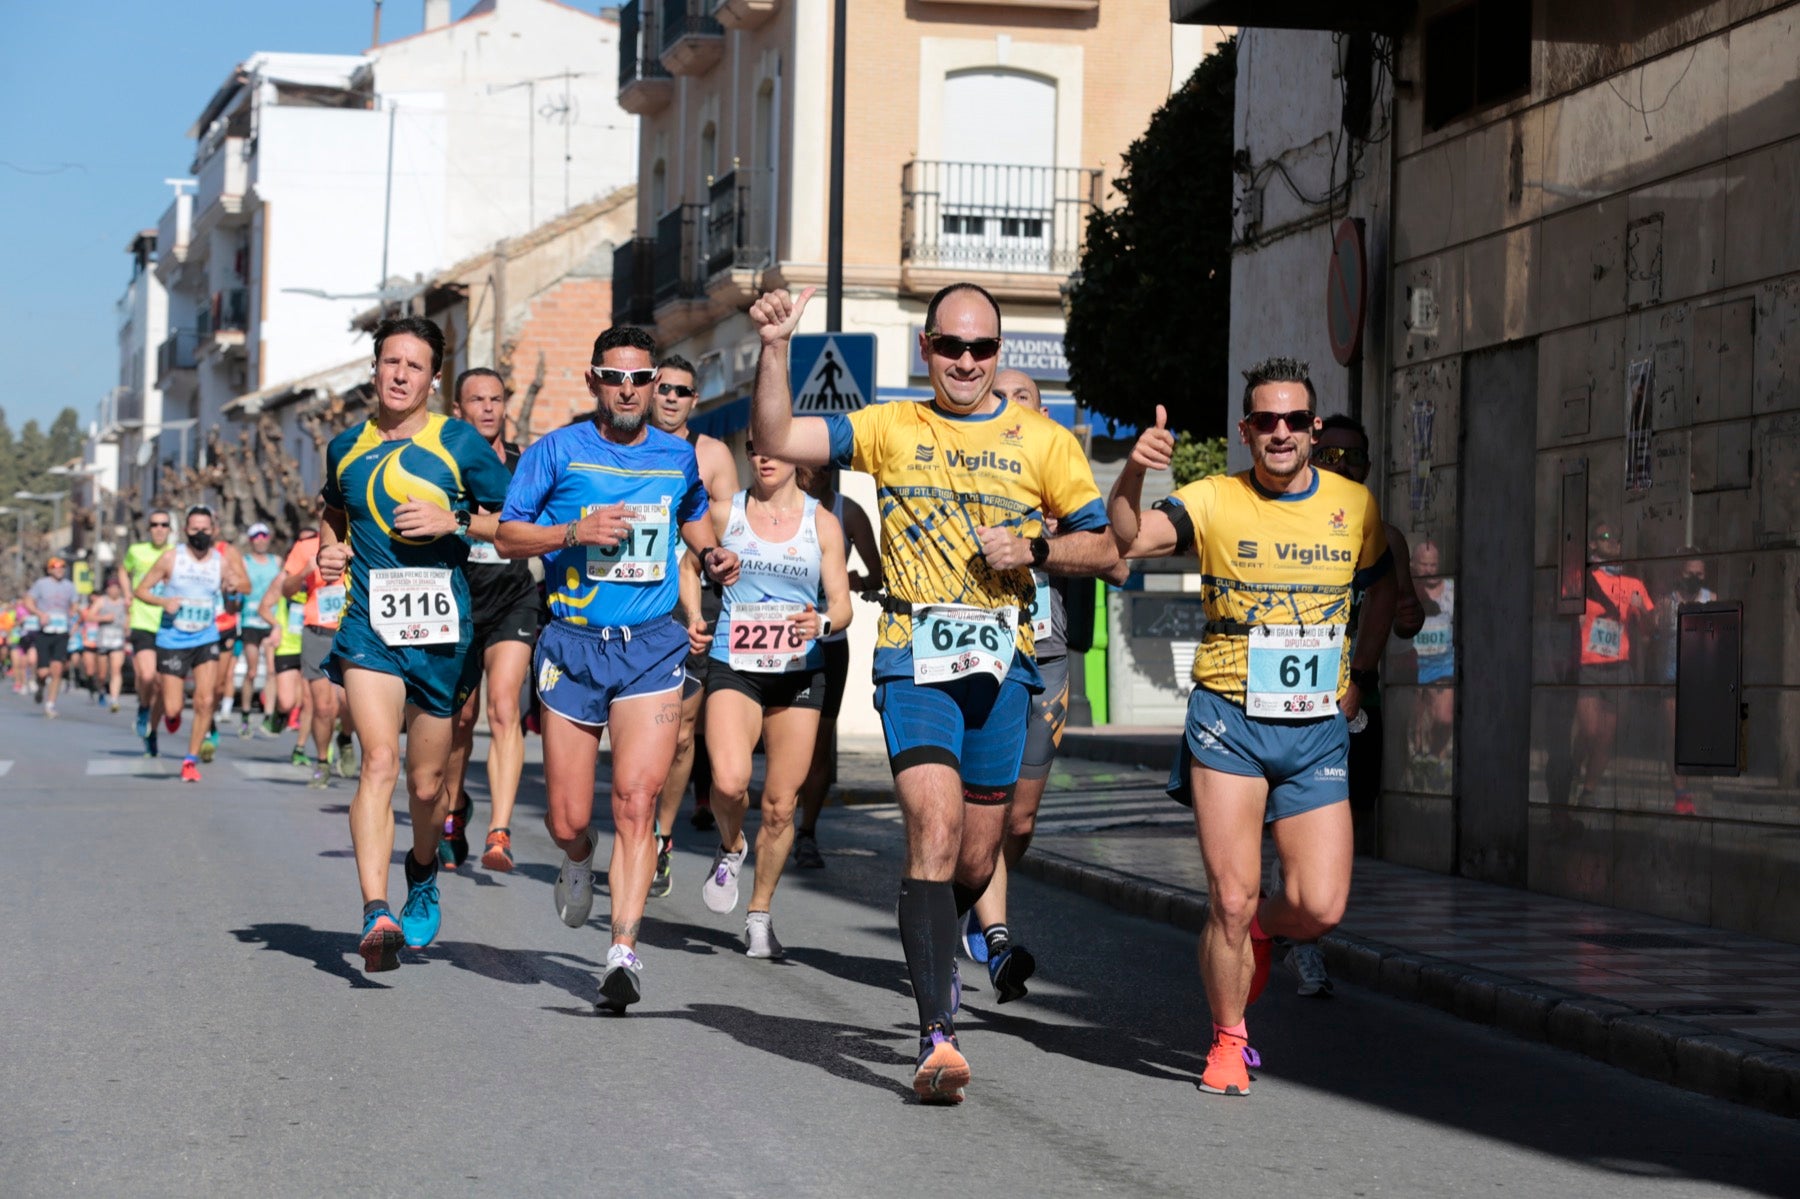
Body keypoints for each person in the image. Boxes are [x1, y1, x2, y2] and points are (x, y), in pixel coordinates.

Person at [747, 283, 1117, 1103]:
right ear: (926, 349)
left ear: (999, 355)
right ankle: (936, 1033)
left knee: (976, 855)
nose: (965, 362)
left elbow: (1108, 550)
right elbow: (774, 433)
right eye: (951, 346)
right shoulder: (889, 425)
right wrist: (776, 346)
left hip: (1004, 663)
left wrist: (1036, 545)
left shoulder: (1043, 442)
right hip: (914, 653)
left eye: (981, 349)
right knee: (936, 826)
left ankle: (927, 913)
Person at [1109, 357, 1397, 1098]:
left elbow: (1386, 584)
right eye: (1265, 421)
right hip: (1229, 719)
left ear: (1313, 430)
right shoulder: (1212, 498)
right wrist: (1136, 473)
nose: (1279, 433)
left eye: (1294, 421)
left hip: (1314, 728)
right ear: (1245, 431)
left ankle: (1262, 933)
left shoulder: (1355, 507)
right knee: (1229, 896)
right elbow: (1129, 537)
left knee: (1320, 905)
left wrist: (1358, 676)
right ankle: (1229, 1037)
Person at [496, 324, 739, 1012]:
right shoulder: (557, 451)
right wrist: (576, 531)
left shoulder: (676, 456)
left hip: (651, 647)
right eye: (616, 377)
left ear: (657, 382)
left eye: (642, 378)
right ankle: (578, 858)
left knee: (636, 799)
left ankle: (624, 950)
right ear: (594, 381)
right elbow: (511, 534)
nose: (629, 390)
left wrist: (712, 553)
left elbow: (690, 515)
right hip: (572, 643)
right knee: (571, 817)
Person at [313, 315, 514, 973]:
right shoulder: (345, 445)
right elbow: (334, 507)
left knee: (428, 787)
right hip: (370, 625)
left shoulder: (460, 443)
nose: (400, 374)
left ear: (433, 379)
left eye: (414, 365)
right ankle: (376, 910)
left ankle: (422, 867)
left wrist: (453, 519)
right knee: (377, 760)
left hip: (441, 634)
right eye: (390, 362)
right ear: (375, 369)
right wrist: (328, 546)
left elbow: (512, 524)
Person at [961, 369, 1127, 1003]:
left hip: (1049, 657)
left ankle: (978, 890)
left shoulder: (1064, 484)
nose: (1008, 407)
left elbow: (1115, 556)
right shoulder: (974, 474)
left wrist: (1049, 542)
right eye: (999, 397)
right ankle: (991, 927)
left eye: (1021, 398)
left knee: (1020, 821)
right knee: (982, 804)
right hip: (981, 656)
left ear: (1042, 415)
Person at [1274, 414, 1426, 998]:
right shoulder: (1290, 524)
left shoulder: (1387, 537)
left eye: (1353, 457)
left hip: (1356, 699)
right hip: (1288, 696)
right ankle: (1296, 934)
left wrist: (1409, 616)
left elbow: (1404, 612)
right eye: (1331, 455)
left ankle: (1298, 919)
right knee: (1289, 817)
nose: (1342, 465)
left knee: (1346, 820)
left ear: (1367, 467)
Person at [692, 442, 853, 957]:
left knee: (782, 804)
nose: (765, 459)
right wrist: (696, 612)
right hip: (735, 664)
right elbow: (686, 562)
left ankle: (759, 914)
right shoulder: (724, 513)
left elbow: (842, 604)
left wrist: (823, 622)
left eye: (776, 450)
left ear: (796, 456)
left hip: (799, 671)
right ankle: (733, 844)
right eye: (756, 450)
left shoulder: (822, 521)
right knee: (730, 780)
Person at [441, 367, 541, 874]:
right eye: (476, 400)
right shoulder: (443, 467)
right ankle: (453, 812)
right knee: (459, 720)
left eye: (496, 399)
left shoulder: (526, 465)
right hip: (457, 603)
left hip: (514, 598)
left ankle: (499, 832)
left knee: (504, 706)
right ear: (458, 410)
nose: (487, 408)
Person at [647, 353, 739, 897]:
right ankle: (636, 815)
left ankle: (660, 837)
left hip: (693, 601)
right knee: (639, 725)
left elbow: (726, 535)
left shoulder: (713, 454)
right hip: (634, 596)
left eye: (682, 391)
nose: (672, 398)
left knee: (683, 731)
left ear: (694, 399)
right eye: (664, 389)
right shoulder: (625, 448)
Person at [791, 464, 884, 868]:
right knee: (779, 738)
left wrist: (843, 582)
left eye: (822, 466)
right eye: (805, 466)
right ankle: (772, 822)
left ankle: (807, 831)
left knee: (819, 742)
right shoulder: (780, 508)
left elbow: (876, 575)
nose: (813, 473)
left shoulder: (849, 513)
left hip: (829, 643)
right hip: (778, 642)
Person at [134, 507, 250, 780]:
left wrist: (234, 585)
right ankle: (166, 717)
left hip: (206, 636)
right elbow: (141, 590)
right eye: (195, 528)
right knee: (173, 707)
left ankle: (190, 760)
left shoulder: (220, 561)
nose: (200, 533)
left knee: (205, 699)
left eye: (205, 529)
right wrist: (164, 602)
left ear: (214, 531)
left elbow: (244, 585)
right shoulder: (171, 558)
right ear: (186, 530)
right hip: (173, 638)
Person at [1571, 519, 1653, 804]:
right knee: (1589, 729)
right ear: (1593, 543)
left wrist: (1643, 611)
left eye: (1617, 538)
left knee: (1605, 737)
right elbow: (1562, 611)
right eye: (1606, 536)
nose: (1613, 542)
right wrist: (1575, 617)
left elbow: (1648, 631)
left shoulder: (1633, 584)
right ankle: (1575, 763)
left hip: (1619, 668)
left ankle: (1588, 791)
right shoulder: (1582, 578)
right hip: (1589, 665)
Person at [276, 527, 354, 784]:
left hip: (353, 631)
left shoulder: (361, 535)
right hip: (318, 632)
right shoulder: (305, 547)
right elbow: (286, 590)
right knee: (323, 707)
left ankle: (344, 737)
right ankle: (322, 761)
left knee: (350, 702)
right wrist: (305, 571)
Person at [1658, 550, 1715, 815]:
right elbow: (1653, 638)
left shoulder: (1711, 599)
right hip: (1671, 677)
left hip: (1701, 679)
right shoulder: (1666, 603)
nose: (1694, 577)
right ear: (1679, 573)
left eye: (1699, 573)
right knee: (1674, 737)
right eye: (1689, 572)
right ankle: (1681, 794)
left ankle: (1696, 789)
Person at [123, 510, 175, 751]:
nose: (159, 528)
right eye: (154, 524)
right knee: (146, 676)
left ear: (170, 528)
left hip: (170, 624)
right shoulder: (136, 551)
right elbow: (123, 570)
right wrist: (126, 594)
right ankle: (144, 708)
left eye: (164, 524)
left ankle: (153, 731)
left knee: (163, 685)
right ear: (149, 528)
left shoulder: (177, 554)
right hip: (143, 621)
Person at [235, 524, 283, 737]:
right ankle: (245, 715)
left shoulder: (277, 562)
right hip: (250, 621)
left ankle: (268, 715)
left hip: (271, 620)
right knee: (252, 671)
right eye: (256, 536)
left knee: (272, 671)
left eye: (264, 535)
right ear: (251, 539)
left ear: (269, 538)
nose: (260, 539)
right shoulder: (244, 562)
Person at [24, 556, 78, 718]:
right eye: (55, 566)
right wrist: (39, 613)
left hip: (61, 632)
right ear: (49, 569)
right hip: (45, 632)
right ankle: (40, 686)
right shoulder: (41, 584)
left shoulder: (69, 586)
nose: (59, 569)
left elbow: (74, 604)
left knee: (57, 670)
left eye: (62, 566)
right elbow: (28, 601)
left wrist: (72, 614)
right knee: (43, 672)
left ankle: (50, 704)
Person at [256, 578, 307, 749]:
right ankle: (281, 713)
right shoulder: (284, 580)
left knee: (311, 701)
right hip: (287, 645)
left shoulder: (323, 577)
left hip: (311, 643)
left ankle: (302, 747)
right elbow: (263, 608)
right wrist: (276, 626)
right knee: (287, 702)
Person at [88, 577, 131, 711]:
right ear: (108, 589)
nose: (114, 590)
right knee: (102, 673)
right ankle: (101, 689)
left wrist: (127, 627)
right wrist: (103, 618)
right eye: (112, 588)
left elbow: (130, 616)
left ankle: (114, 699)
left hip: (118, 639)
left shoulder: (125, 603)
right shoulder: (102, 601)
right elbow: (89, 616)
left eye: (117, 588)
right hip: (103, 639)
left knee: (116, 669)